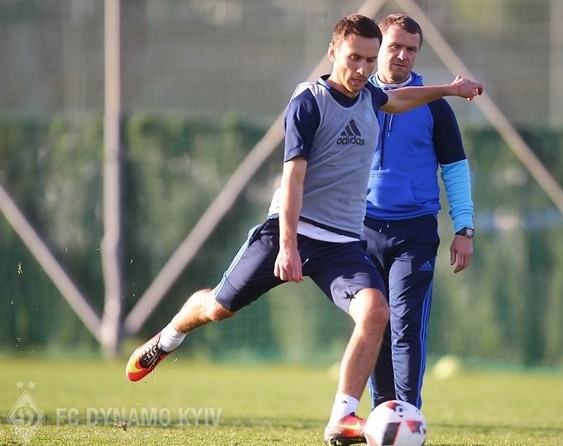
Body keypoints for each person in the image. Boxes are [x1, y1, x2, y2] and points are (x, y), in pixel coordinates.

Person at [125, 14, 482, 446]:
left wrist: (449, 90)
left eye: (369, 60)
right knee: (219, 307)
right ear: (333, 52)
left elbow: (401, 99)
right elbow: (293, 180)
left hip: (341, 243)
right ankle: (168, 337)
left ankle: (343, 417)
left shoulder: (372, 96)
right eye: (354, 58)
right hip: (289, 231)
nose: (362, 69)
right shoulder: (309, 102)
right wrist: (288, 246)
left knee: (376, 312)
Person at [363, 13, 475, 410]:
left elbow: (456, 169)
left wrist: (464, 228)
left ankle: (408, 414)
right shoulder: (354, 98)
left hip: (415, 231)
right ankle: (383, 414)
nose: (402, 55)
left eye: (411, 49)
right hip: (361, 230)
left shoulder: (434, 106)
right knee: (374, 321)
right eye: (395, 46)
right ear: (378, 48)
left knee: (406, 324)